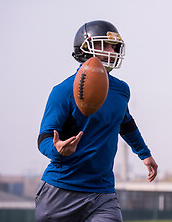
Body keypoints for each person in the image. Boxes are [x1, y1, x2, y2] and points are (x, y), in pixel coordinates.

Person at [35, 20, 158, 222]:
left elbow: (125, 123)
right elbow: (45, 137)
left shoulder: (121, 90)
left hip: (103, 193)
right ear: (85, 48)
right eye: (104, 45)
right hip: (61, 190)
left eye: (114, 46)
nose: (112, 50)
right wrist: (56, 149)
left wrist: (144, 154)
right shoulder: (62, 91)